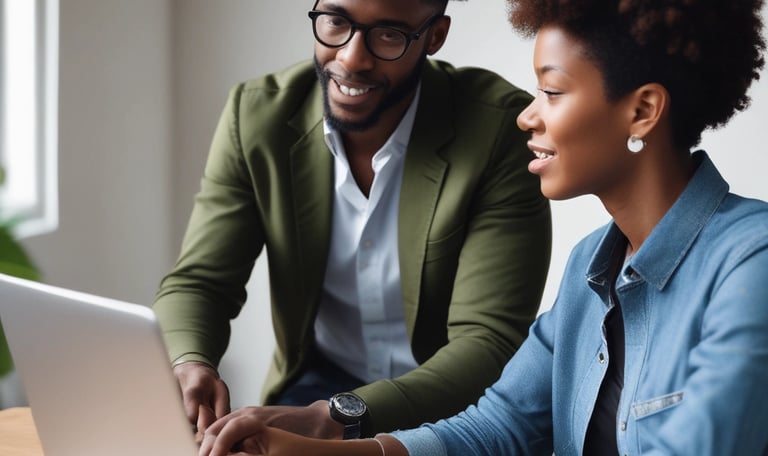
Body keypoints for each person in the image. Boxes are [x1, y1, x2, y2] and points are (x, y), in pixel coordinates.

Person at [196, 0, 768, 454]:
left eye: (552, 91)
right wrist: (311, 450)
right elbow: (498, 428)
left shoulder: (752, 260)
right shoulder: (590, 268)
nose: (528, 114)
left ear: (642, 110)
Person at [153, 0, 552, 442]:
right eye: (336, 22)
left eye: (388, 35)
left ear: (434, 36)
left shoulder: (498, 131)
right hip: (315, 387)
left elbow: (487, 343)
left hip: (450, 405)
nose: (351, 58)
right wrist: (188, 362)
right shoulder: (257, 118)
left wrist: (341, 417)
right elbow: (201, 282)